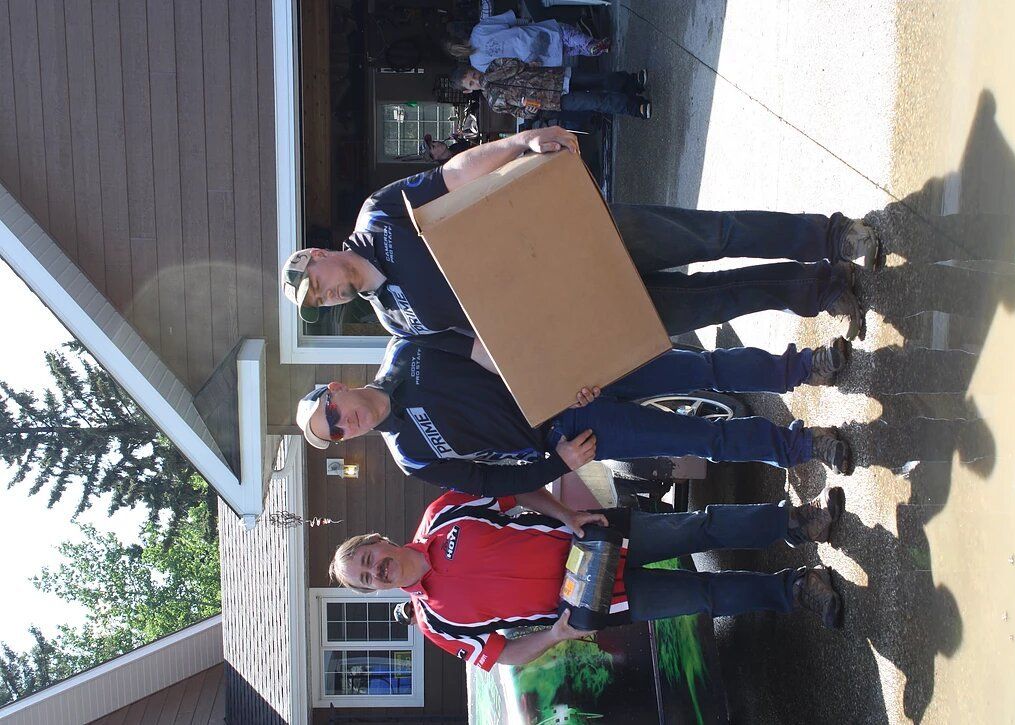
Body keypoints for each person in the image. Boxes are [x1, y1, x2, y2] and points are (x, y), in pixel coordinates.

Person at [280, 126, 878, 374]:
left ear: (317, 253)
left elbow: (455, 177)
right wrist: (569, 372)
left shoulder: (378, 216)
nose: (327, 297)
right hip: (583, 312)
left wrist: (518, 142)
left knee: (712, 235)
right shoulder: (397, 320)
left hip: (574, 241)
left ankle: (829, 236)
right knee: (715, 301)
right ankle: (821, 288)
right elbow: (487, 352)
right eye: (319, 304)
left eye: (317, 284)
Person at [328, 485, 848, 670]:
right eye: (369, 579)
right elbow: (500, 656)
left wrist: (565, 515)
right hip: (595, 598)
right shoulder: (434, 624)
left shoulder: (443, 513)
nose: (377, 570)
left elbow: (515, 492)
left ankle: (796, 521)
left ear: (377, 540)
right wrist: (555, 635)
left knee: (700, 527)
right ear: (378, 589)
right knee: (703, 595)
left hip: (593, 538)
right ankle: (794, 588)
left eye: (369, 560)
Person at [295, 336, 855, 498]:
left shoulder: (407, 350)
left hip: (576, 375)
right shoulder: (412, 456)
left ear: (337, 389)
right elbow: (490, 481)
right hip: (573, 435)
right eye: (337, 434)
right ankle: (803, 447)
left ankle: (803, 367)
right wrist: (555, 464)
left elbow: (489, 340)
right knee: (697, 436)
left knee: (699, 368)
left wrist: (558, 371)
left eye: (334, 414)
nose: (347, 427)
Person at [452, 62, 651, 120]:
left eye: (473, 75)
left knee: (599, 79)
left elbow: (517, 65)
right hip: (554, 101)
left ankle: (632, 82)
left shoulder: (494, 67)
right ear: (469, 91)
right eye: (471, 84)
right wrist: (528, 112)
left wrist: (490, 78)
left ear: (475, 69)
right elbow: (520, 113)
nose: (476, 80)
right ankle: (635, 107)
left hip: (556, 76)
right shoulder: (494, 104)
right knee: (596, 102)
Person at [446, 9, 610, 72]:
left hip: (529, 58)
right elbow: (510, 21)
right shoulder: (479, 30)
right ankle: (592, 45)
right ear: (461, 36)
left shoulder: (477, 63)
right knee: (565, 34)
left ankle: (595, 49)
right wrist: (528, 22)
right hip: (528, 36)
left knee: (568, 50)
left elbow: (502, 72)